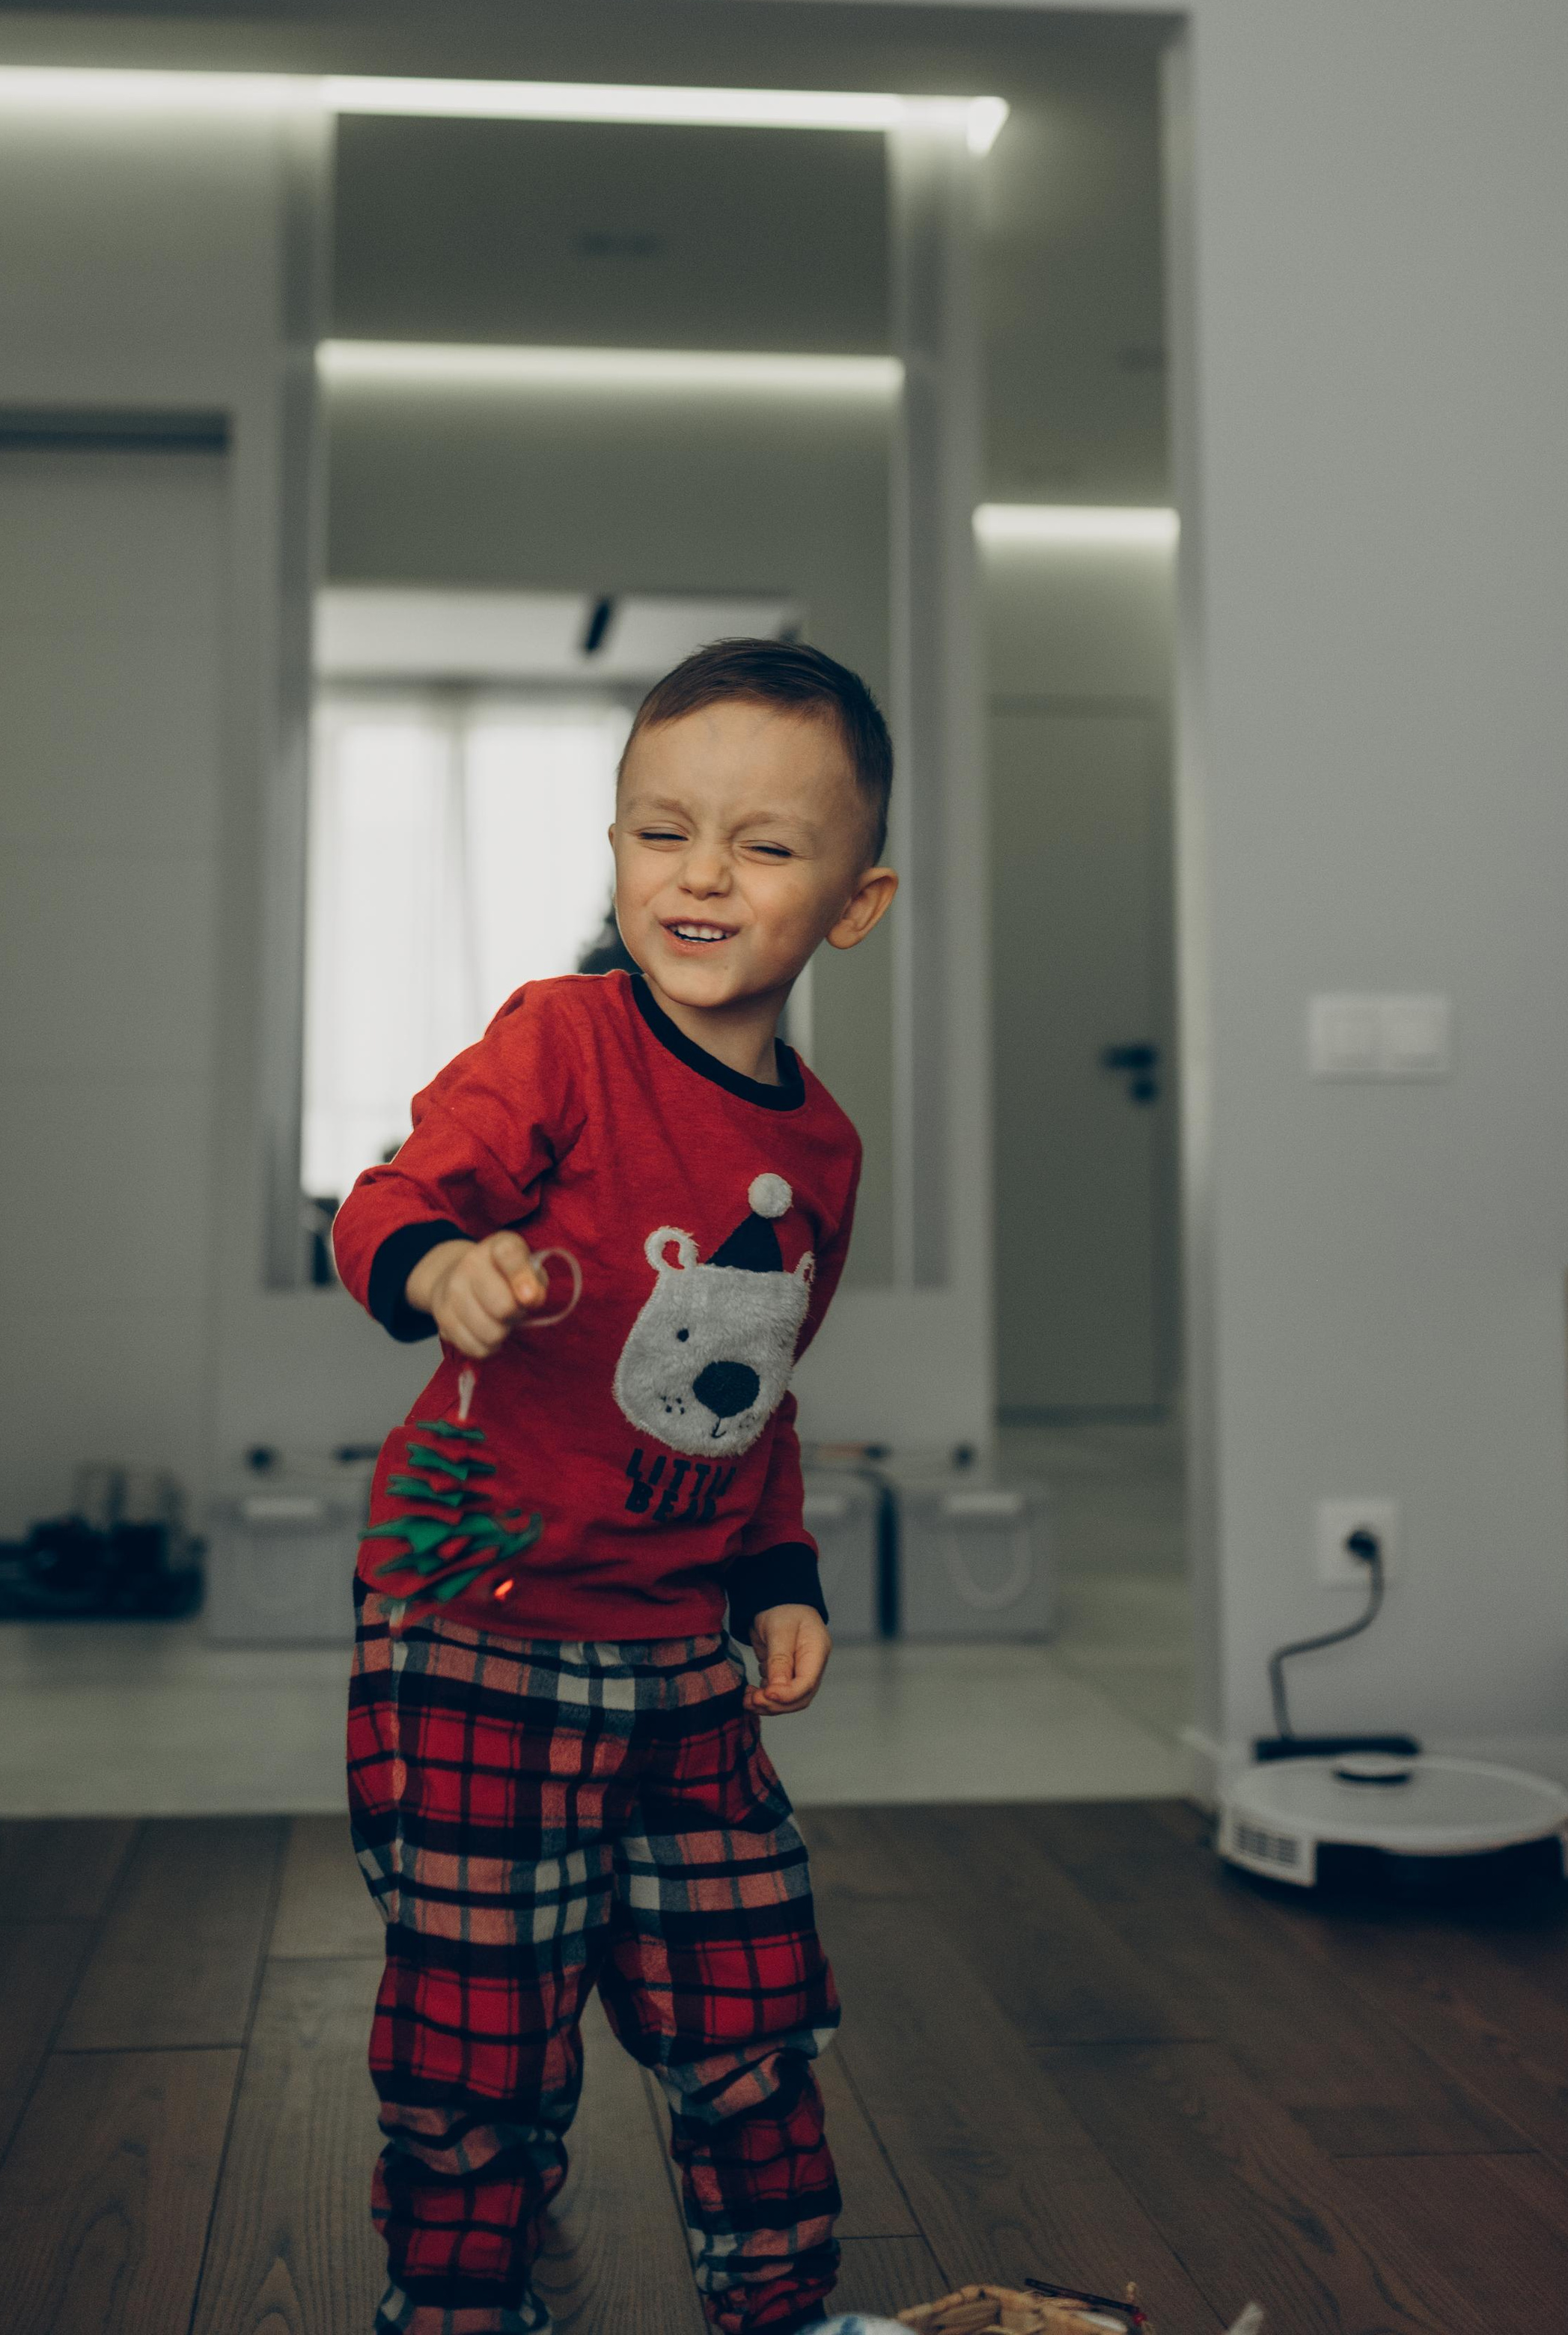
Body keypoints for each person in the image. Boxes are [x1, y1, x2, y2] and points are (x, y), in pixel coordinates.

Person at [332, 638, 899, 2335]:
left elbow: (758, 1387)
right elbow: (383, 1198)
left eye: (763, 845)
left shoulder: (821, 1151)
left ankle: (781, 2304)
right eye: (661, 832)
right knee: (479, 2031)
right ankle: (458, 2307)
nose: (702, 874)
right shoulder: (562, 1041)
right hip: (471, 1629)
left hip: (675, 1659)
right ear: (613, 855)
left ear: (852, 905)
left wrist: (775, 1573)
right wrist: (437, 1267)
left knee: (746, 2004)